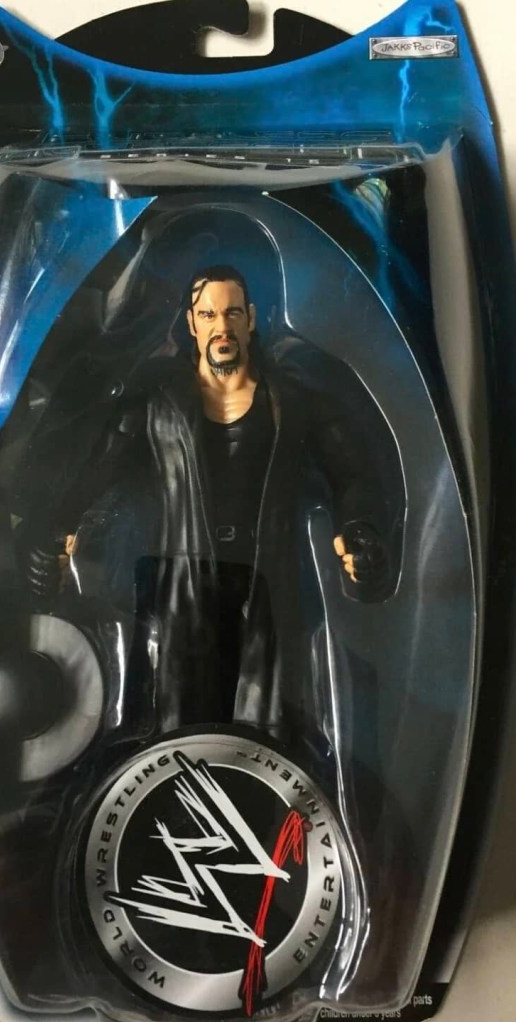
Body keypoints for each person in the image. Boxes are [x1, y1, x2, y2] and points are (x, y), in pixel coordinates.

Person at [25, 264, 403, 747]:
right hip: (183, 601)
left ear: (251, 319)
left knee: (272, 735)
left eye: (232, 313)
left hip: (270, 595)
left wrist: (362, 531)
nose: (221, 326)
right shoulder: (153, 406)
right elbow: (89, 477)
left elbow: (353, 475)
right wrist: (49, 537)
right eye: (208, 315)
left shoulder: (295, 402)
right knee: (178, 732)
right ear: (191, 323)